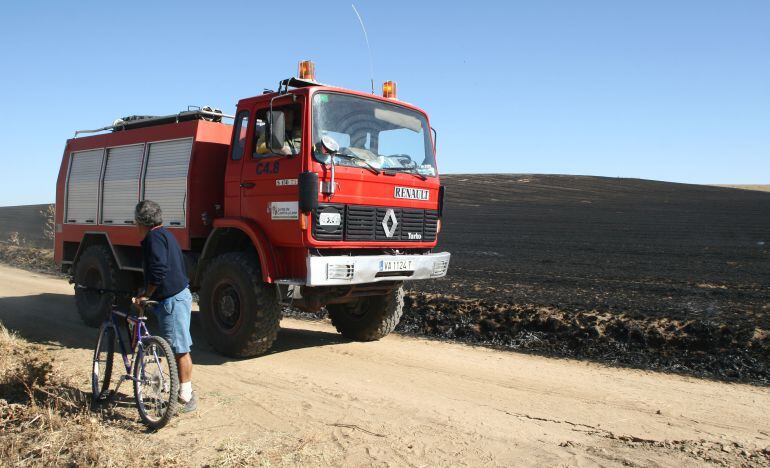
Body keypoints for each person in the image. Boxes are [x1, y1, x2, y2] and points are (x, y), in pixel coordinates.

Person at [132, 200, 196, 413]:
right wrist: (145, 293)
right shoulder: (164, 234)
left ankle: (187, 397)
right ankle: (177, 391)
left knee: (179, 349)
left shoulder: (154, 238)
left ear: (141, 222)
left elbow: (158, 269)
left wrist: (146, 295)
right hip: (173, 297)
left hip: (173, 300)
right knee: (172, 347)